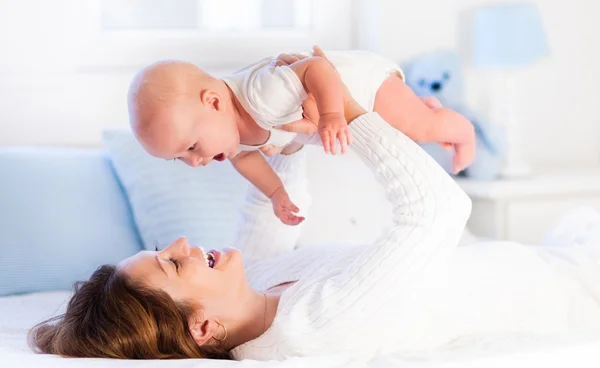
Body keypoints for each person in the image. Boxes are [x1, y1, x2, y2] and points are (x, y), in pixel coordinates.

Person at [29, 58, 600, 361]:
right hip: (576, 289)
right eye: (173, 265)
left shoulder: (250, 294)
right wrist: (349, 113)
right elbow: (440, 211)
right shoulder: (311, 327)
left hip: (541, 256)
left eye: (163, 250)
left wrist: (278, 127)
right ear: (203, 328)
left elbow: (272, 199)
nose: (180, 245)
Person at [127, 46, 475, 225]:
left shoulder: (262, 93)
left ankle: (461, 127)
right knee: (406, 130)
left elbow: (317, 68)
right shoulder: (229, 137)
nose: (193, 161)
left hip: (362, 85)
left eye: (190, 146)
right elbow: (247, 158)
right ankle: (421, 108)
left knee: (422, 129)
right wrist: (277, 193)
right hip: (346, 107)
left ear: (214, 102)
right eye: (180, 157)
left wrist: (333, 113)